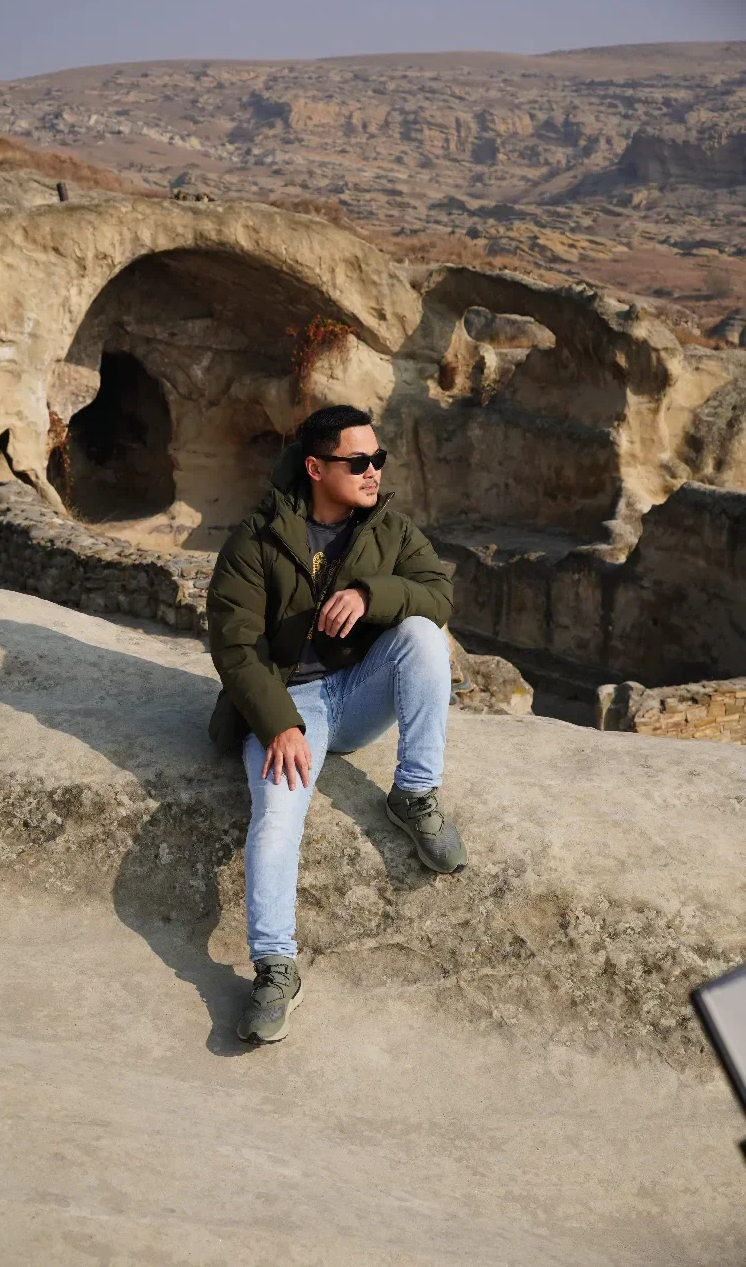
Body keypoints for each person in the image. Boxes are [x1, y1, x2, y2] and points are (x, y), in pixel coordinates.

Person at [207, 404, 465, 1045]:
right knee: (277, 815)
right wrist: (277, 726)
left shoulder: (389, 528)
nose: (374, 471)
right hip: (291, 705)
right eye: (359, 462)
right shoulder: (256, 540)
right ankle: (274, 967)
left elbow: (438, 591)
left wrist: (374, 593)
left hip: (360, 692)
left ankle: (414, 791)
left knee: (424, 637)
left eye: (379, 458)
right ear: (317, 467)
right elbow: (235, 649)